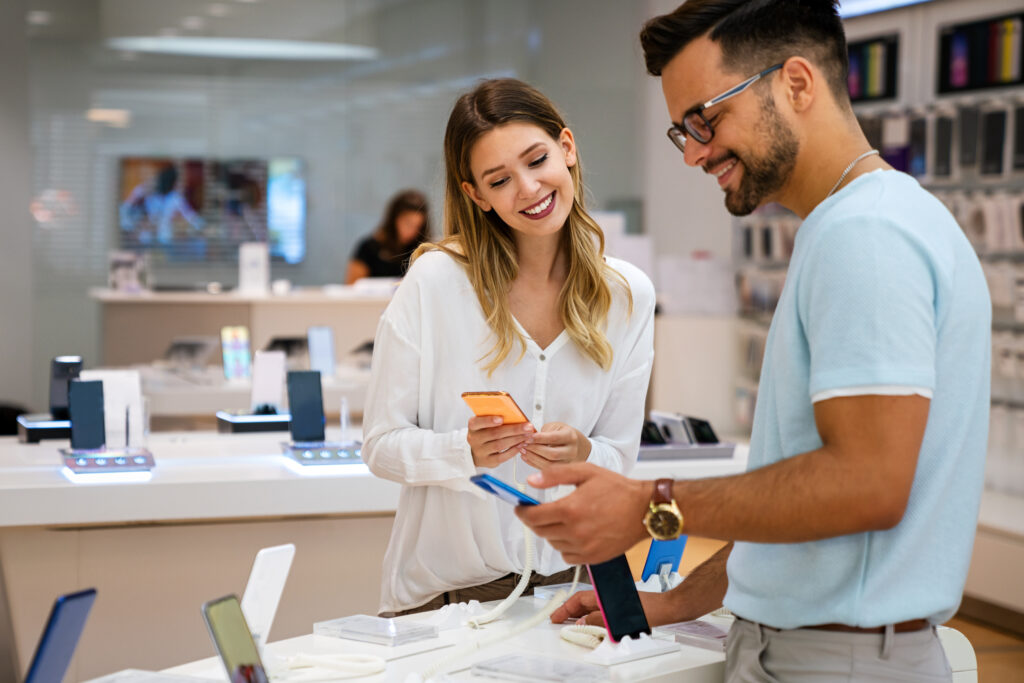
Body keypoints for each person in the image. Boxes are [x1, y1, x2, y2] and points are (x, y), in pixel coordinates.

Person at [516, 1, 991, 680]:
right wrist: (671, 601)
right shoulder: (869, 223)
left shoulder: (867, 237)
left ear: (797, 83)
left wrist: (649, 507)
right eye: (684, 133)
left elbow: (867, 483)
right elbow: (806, 507)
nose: (697, 153)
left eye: (706, 121)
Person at [361, 78, 656, 616]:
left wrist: (585, 453)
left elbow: (619, 457)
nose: (528, 188)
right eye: (499, 179)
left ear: (566, 148)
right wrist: (461, 452)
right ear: (477, 195)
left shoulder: (627, 295)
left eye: (537, 159)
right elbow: (381, 444)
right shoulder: (434, 283)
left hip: (569, 596)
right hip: (445, 604)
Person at [345, 189, 432, 284]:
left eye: (418, 226)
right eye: (408, 224)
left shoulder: (422, 250)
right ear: (393, 220)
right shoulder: (369, 248)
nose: (412, 231)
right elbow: (352, 285)